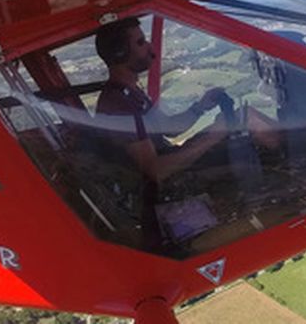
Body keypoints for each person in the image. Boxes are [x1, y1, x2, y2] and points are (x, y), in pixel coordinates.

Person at [93, 17, 233, 251]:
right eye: (140, 42)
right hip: (162, 198)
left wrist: (200, 107)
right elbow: (156, 171)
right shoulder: (118, 105)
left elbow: (169, 127)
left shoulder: (131, 92)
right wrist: (214, 137)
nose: (150, 47)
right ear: (120, 53)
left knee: (241, 127)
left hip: (173, 176)